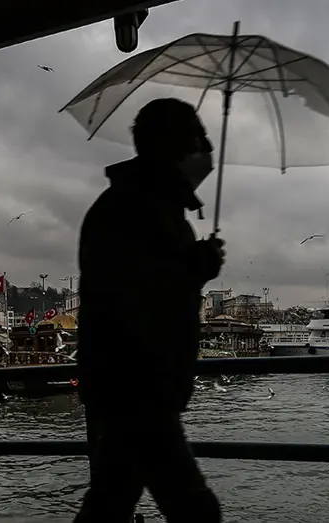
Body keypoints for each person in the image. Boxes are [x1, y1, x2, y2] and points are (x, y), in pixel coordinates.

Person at [74, 97, 225, 522]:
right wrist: (194, 269)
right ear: (173, 144)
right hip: (140, 387)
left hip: (130, 387)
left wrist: (192, 267)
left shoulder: (142, 205)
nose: (206, 148)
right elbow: (135, 300)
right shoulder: (136, 209)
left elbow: (149, 285)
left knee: (109, 502)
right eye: (199, 137)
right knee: (196, 511)